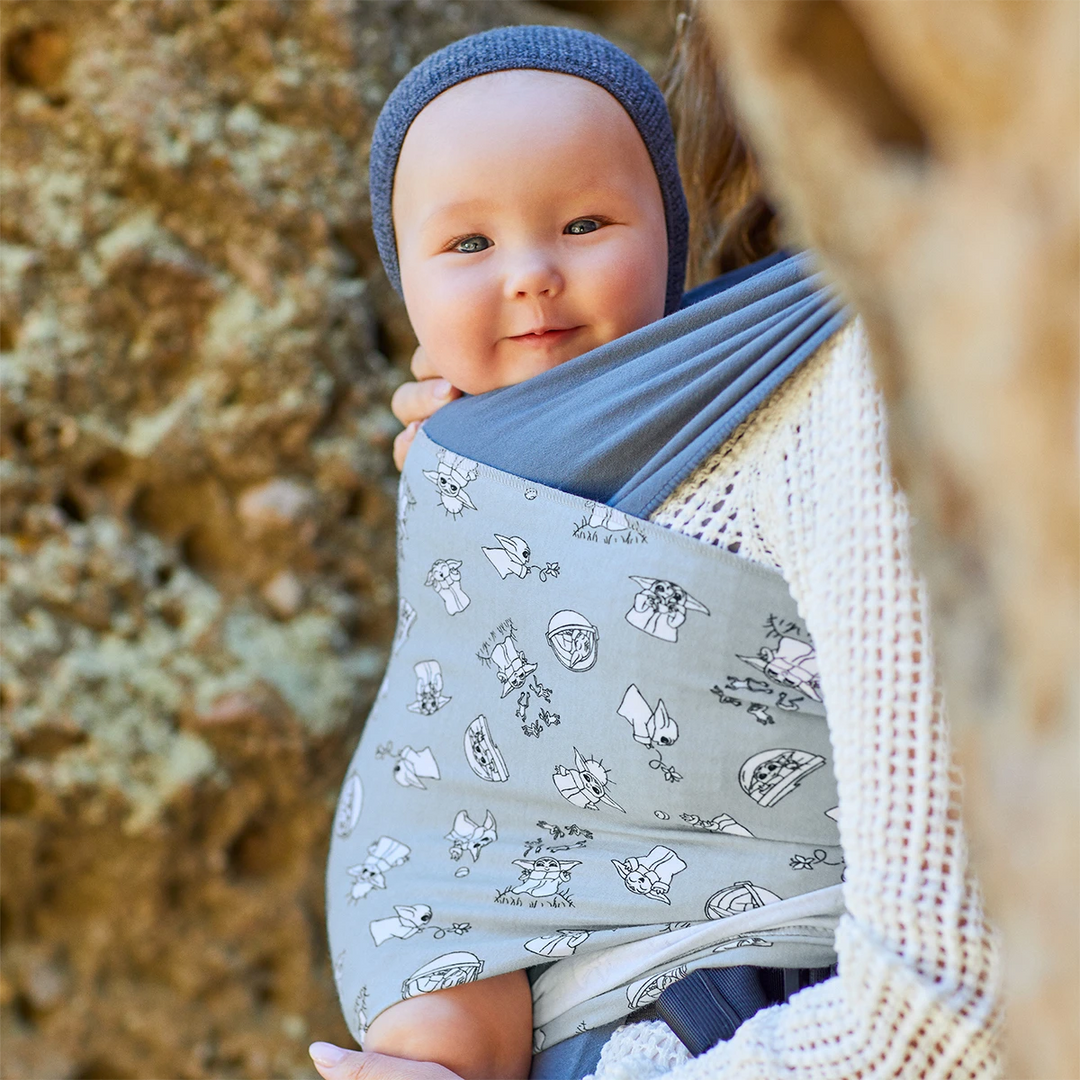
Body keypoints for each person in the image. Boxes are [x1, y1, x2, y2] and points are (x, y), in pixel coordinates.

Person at [311, 11, 1002, 1080]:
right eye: (468, 244)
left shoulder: (813, 380)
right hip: (480, 915)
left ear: (669, 242)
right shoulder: (453, 454)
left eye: (584, 225)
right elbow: (457, 735)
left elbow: (940, 1005)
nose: (531, 274)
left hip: (706, 1013)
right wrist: (481, 458)